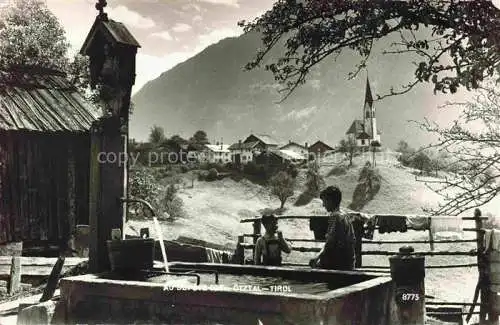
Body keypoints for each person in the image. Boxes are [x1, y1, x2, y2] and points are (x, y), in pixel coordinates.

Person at [309, 186, 356, 271]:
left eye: (324, 201)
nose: (323, 205)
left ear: (330, 201)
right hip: (349, 262)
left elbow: (330, 243)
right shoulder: (345, 215)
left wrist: (317, 258)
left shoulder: (335, 216)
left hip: (339, 264)